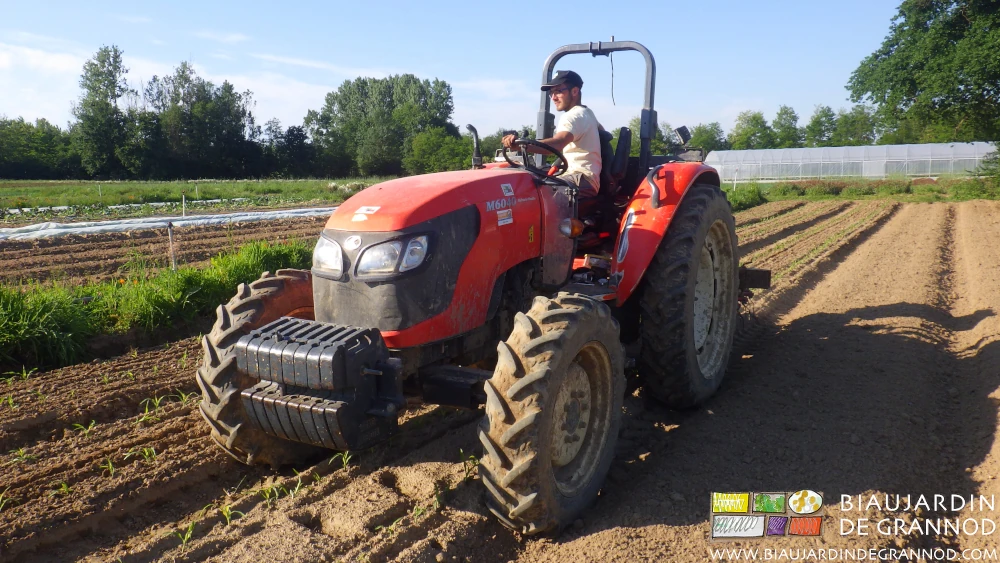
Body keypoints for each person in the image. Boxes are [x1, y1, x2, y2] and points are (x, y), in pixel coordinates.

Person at [502, 70, 602, 198]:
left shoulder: (572, 116)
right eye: (551, 93)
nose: (554, 97)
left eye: (558, 91)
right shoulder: (588, 113)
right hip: (587, 179)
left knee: (531, 196)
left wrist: (521, 146)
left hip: (579, 179)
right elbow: (603, 134)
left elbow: (559, 143)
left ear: (575, 91)